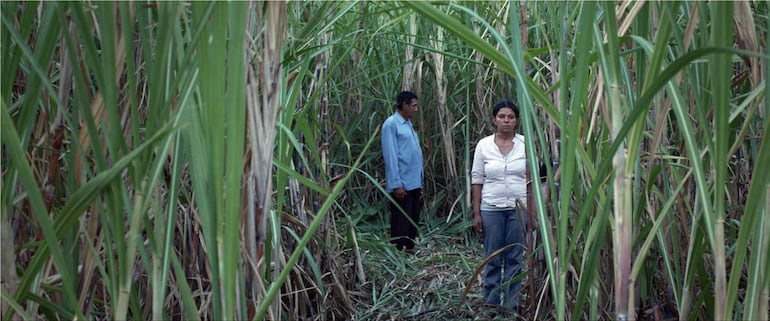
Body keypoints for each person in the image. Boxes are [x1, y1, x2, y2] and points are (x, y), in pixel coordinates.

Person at [471, 99, 531, 310]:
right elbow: (477, 179)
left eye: (510, 117)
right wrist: (476, 212)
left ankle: (512, 305)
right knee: (492, 258)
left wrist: (531, 211)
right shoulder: (484, 146)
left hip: (519, 208)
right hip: (491, 208)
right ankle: (491, 304)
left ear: (516, 121)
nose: (506, 120)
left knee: (515, 257)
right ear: (494, 119)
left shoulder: (527, 144)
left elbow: (532, 179)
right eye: (502, 117)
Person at [381, 91, 424, 251]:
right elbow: (391, 156)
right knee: (401, 220)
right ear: (404, 105)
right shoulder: (391, 124)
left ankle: (409, 248)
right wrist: (396, 184)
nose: (416, 109)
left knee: (412, 218)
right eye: (413, 106)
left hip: (413, 182)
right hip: (402, 184)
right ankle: (398, 250)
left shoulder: (407, 124)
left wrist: (420, 181)